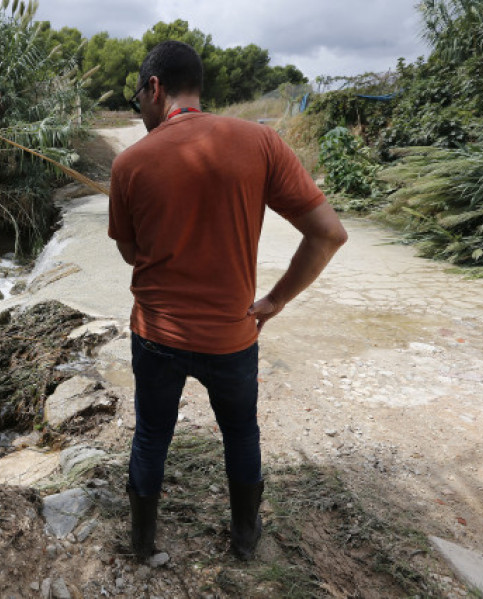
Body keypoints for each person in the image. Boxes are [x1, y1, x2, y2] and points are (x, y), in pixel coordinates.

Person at [108, 40, 348, 561]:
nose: (141, 112)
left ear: (155, 89)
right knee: (241, 431)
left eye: (139, 100)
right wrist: (274, 302)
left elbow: (132, 255)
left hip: (155, 336)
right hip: (232, 335)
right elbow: (329, 234)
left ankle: (143, 546)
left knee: (152, 434)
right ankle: (244, 541)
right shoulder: (260, 142)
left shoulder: (130, 163)